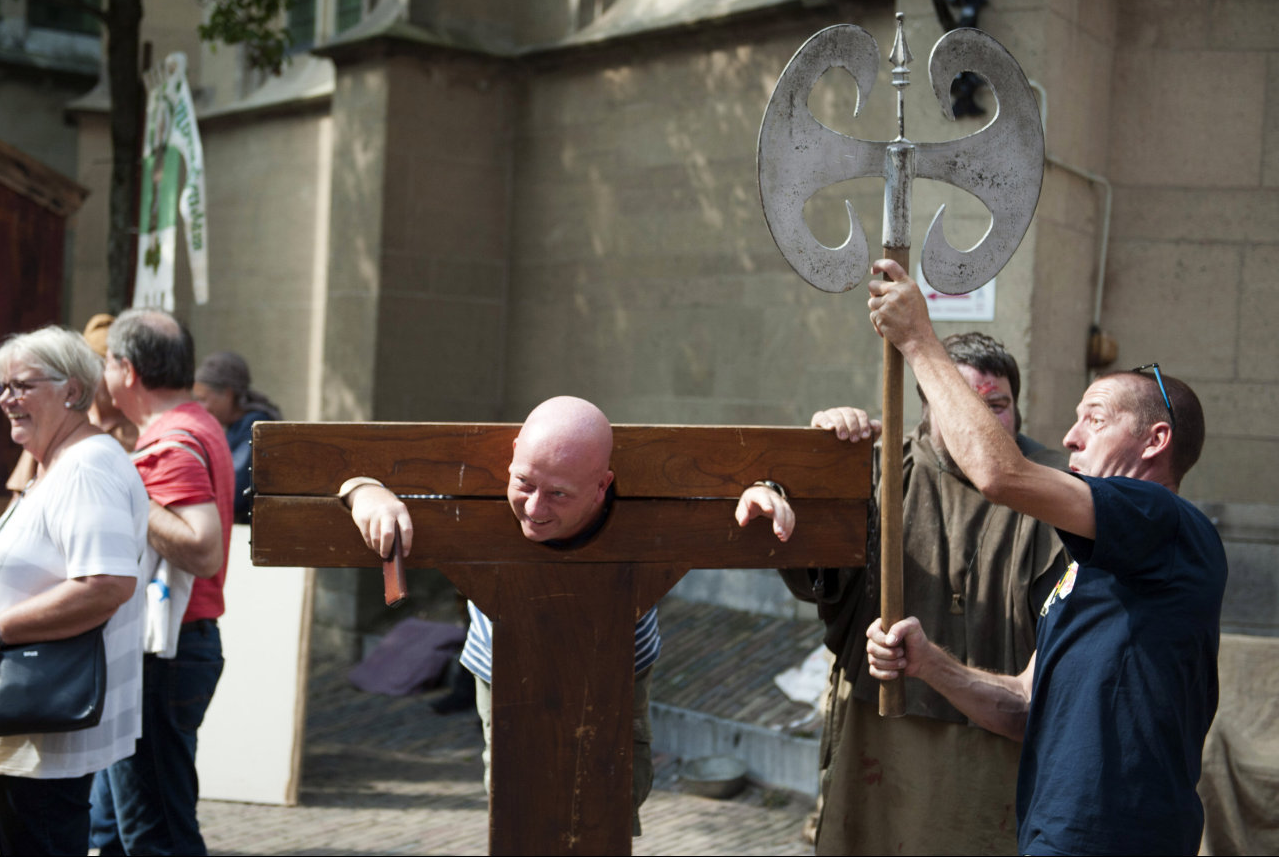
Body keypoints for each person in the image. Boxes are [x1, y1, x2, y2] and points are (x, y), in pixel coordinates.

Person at [863, 259, 1226, 856]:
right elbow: (1024, 706)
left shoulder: (1166, 521)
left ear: (1155, 441)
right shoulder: (1094, 562)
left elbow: (1000, 475)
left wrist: (919, 340)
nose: (1070, 437)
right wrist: (929, 664)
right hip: (1054, 835)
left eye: (1095, 419)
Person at [344, 395, 794, 836]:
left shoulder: (643, 498)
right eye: (524, 483)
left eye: (559, 493)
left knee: (612, 800)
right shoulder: (470, 483)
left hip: (617, 665)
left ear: (602, 485)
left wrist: (764, 487)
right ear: (513, 452)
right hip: (501, 664)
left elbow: (737, 484)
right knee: (515, 804)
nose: (534, 508)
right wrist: (363, 490)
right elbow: (351, 472)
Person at [778, 333, 1067, 854]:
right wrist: (814, 468)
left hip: (996, 738)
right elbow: (815, 572)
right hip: (883, 730)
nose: (981, 422)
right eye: (962, 403)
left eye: (997, 406)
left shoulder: (1056, 486)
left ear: (1018, 409)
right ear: (929, 406)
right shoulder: (883, 466)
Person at [0, 326, 149, 856]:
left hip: (42, 724)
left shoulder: (86, 468)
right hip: (26, 720)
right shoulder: (55, 465)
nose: (6, 399)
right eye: (1, 386)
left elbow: (105, 585)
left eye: (22, 386)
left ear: (72, 391)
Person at [91, 309, 235, 856]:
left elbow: (202, 548)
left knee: (156, 838)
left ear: (127, 371)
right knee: (112, 830)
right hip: (170, 651)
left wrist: (128, 489)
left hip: (163, 657)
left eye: (107, 364)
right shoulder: (196, 423)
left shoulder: (173, 441)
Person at [4, 313, 139, 494]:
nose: (103, 379)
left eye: (108, 368)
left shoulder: (137, 428)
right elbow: (20, 495)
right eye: (96, 369)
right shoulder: (60, 425)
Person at [192, 350, 281, 523]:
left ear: (228, 394)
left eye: (203, 399)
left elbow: (233, 492)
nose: (200, 408)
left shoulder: (255, 427)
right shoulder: (234, 427)